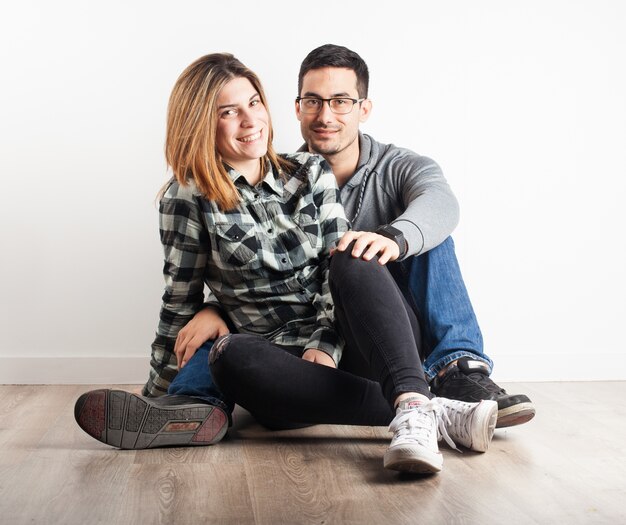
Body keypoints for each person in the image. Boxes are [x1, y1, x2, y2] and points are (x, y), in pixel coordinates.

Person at [74, 52, 497, 474]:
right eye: (229, 111)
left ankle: (430, 388)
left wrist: (324, 345)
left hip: (355, 347)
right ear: (202, 121)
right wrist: (158, 390)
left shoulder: (311, 171)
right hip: (282, 373)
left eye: (254, 103)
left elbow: (335, 275)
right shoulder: (186, 198)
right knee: (230, 356)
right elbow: (178, 302)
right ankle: (432, 411)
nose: (249, 120)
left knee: (353, 253)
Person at [294, 44, 535, 428]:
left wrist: (394, 238)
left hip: (407, 335)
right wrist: (213, 307)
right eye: (313, 101)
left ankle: (459, 370)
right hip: (327, 345)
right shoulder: (277, 183)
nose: (325, 115)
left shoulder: (397, 166)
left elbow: (441, 203)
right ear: (298, 107)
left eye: (341, 101)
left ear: (364, 109)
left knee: (429, 234)